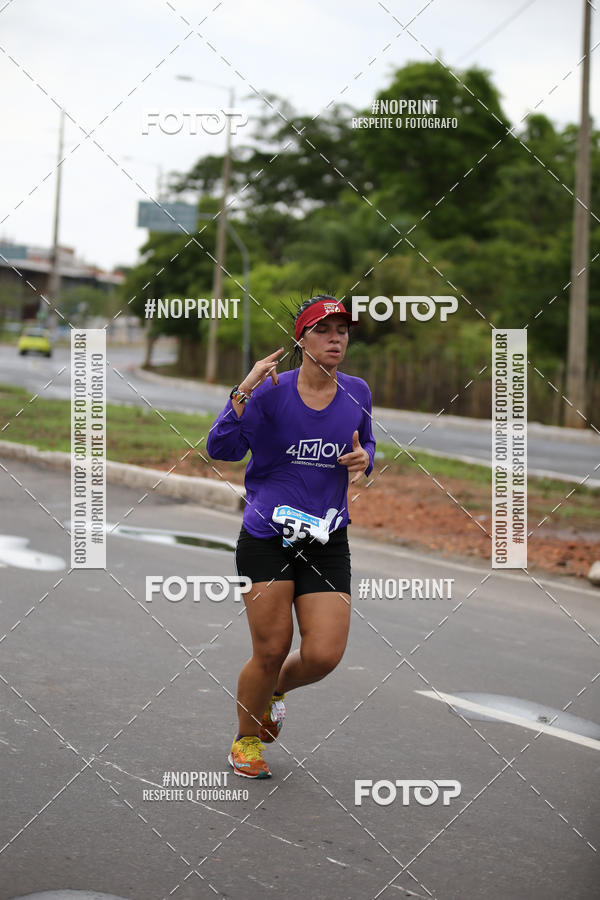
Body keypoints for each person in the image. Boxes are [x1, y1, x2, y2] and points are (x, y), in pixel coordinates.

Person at [206, 294, 376, 778]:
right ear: (302, 339)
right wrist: (245, 387)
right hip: (266, 536)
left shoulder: (357, 392)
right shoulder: (271, 391)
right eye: (324, 330)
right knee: (272, 645)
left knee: (323, 654)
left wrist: (366, 462)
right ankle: (246, 740)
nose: (336, 338)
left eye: (343, 330)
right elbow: (221, 447)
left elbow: (366, 448)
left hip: (326, 538)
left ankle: (274, 688)